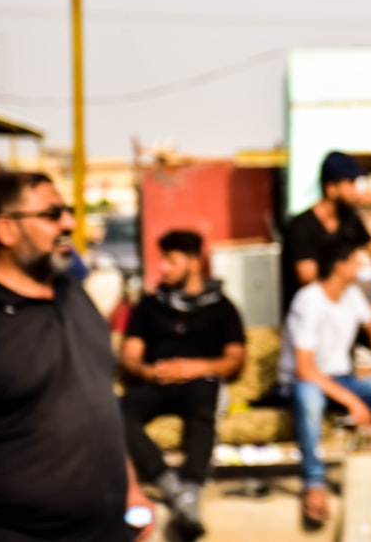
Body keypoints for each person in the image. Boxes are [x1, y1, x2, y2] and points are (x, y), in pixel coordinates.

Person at [0, 171, 153, 541]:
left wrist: (130, 489)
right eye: (52, 215)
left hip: (109, 529)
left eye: (67, 211)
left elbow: (100, 404)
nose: (70, 222)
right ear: (6, 229)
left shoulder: (75, 296)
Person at [278, 238, 371, 528]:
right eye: (355, 261)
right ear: (339, 266)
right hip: (307, 383)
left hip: (344, 380)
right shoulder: (308, 300)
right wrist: (353, 402)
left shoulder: (351, 295)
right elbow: (304, 369)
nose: (360, 266)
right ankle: (314, 482)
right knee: (308, 394)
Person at [119, 229, 246, 540]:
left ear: (193, 263)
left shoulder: (222, 307)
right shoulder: (149, 305)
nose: (163, 268)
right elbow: (130, 355)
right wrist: (151, 372)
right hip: (157, 382)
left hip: (199, 382)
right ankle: (174, 489)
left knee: (205, 403)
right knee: (116, 411)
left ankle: (191, 485)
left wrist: (193, 368)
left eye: (171, 261)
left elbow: (234, 359)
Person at [281, 151, 371, 317]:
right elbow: (307, 278)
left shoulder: (349, 219)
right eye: (350, 183)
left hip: (343, 316)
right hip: (308, 319)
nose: (356, 190)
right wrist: (353, 307)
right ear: (331, 188)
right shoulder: (301, 225)